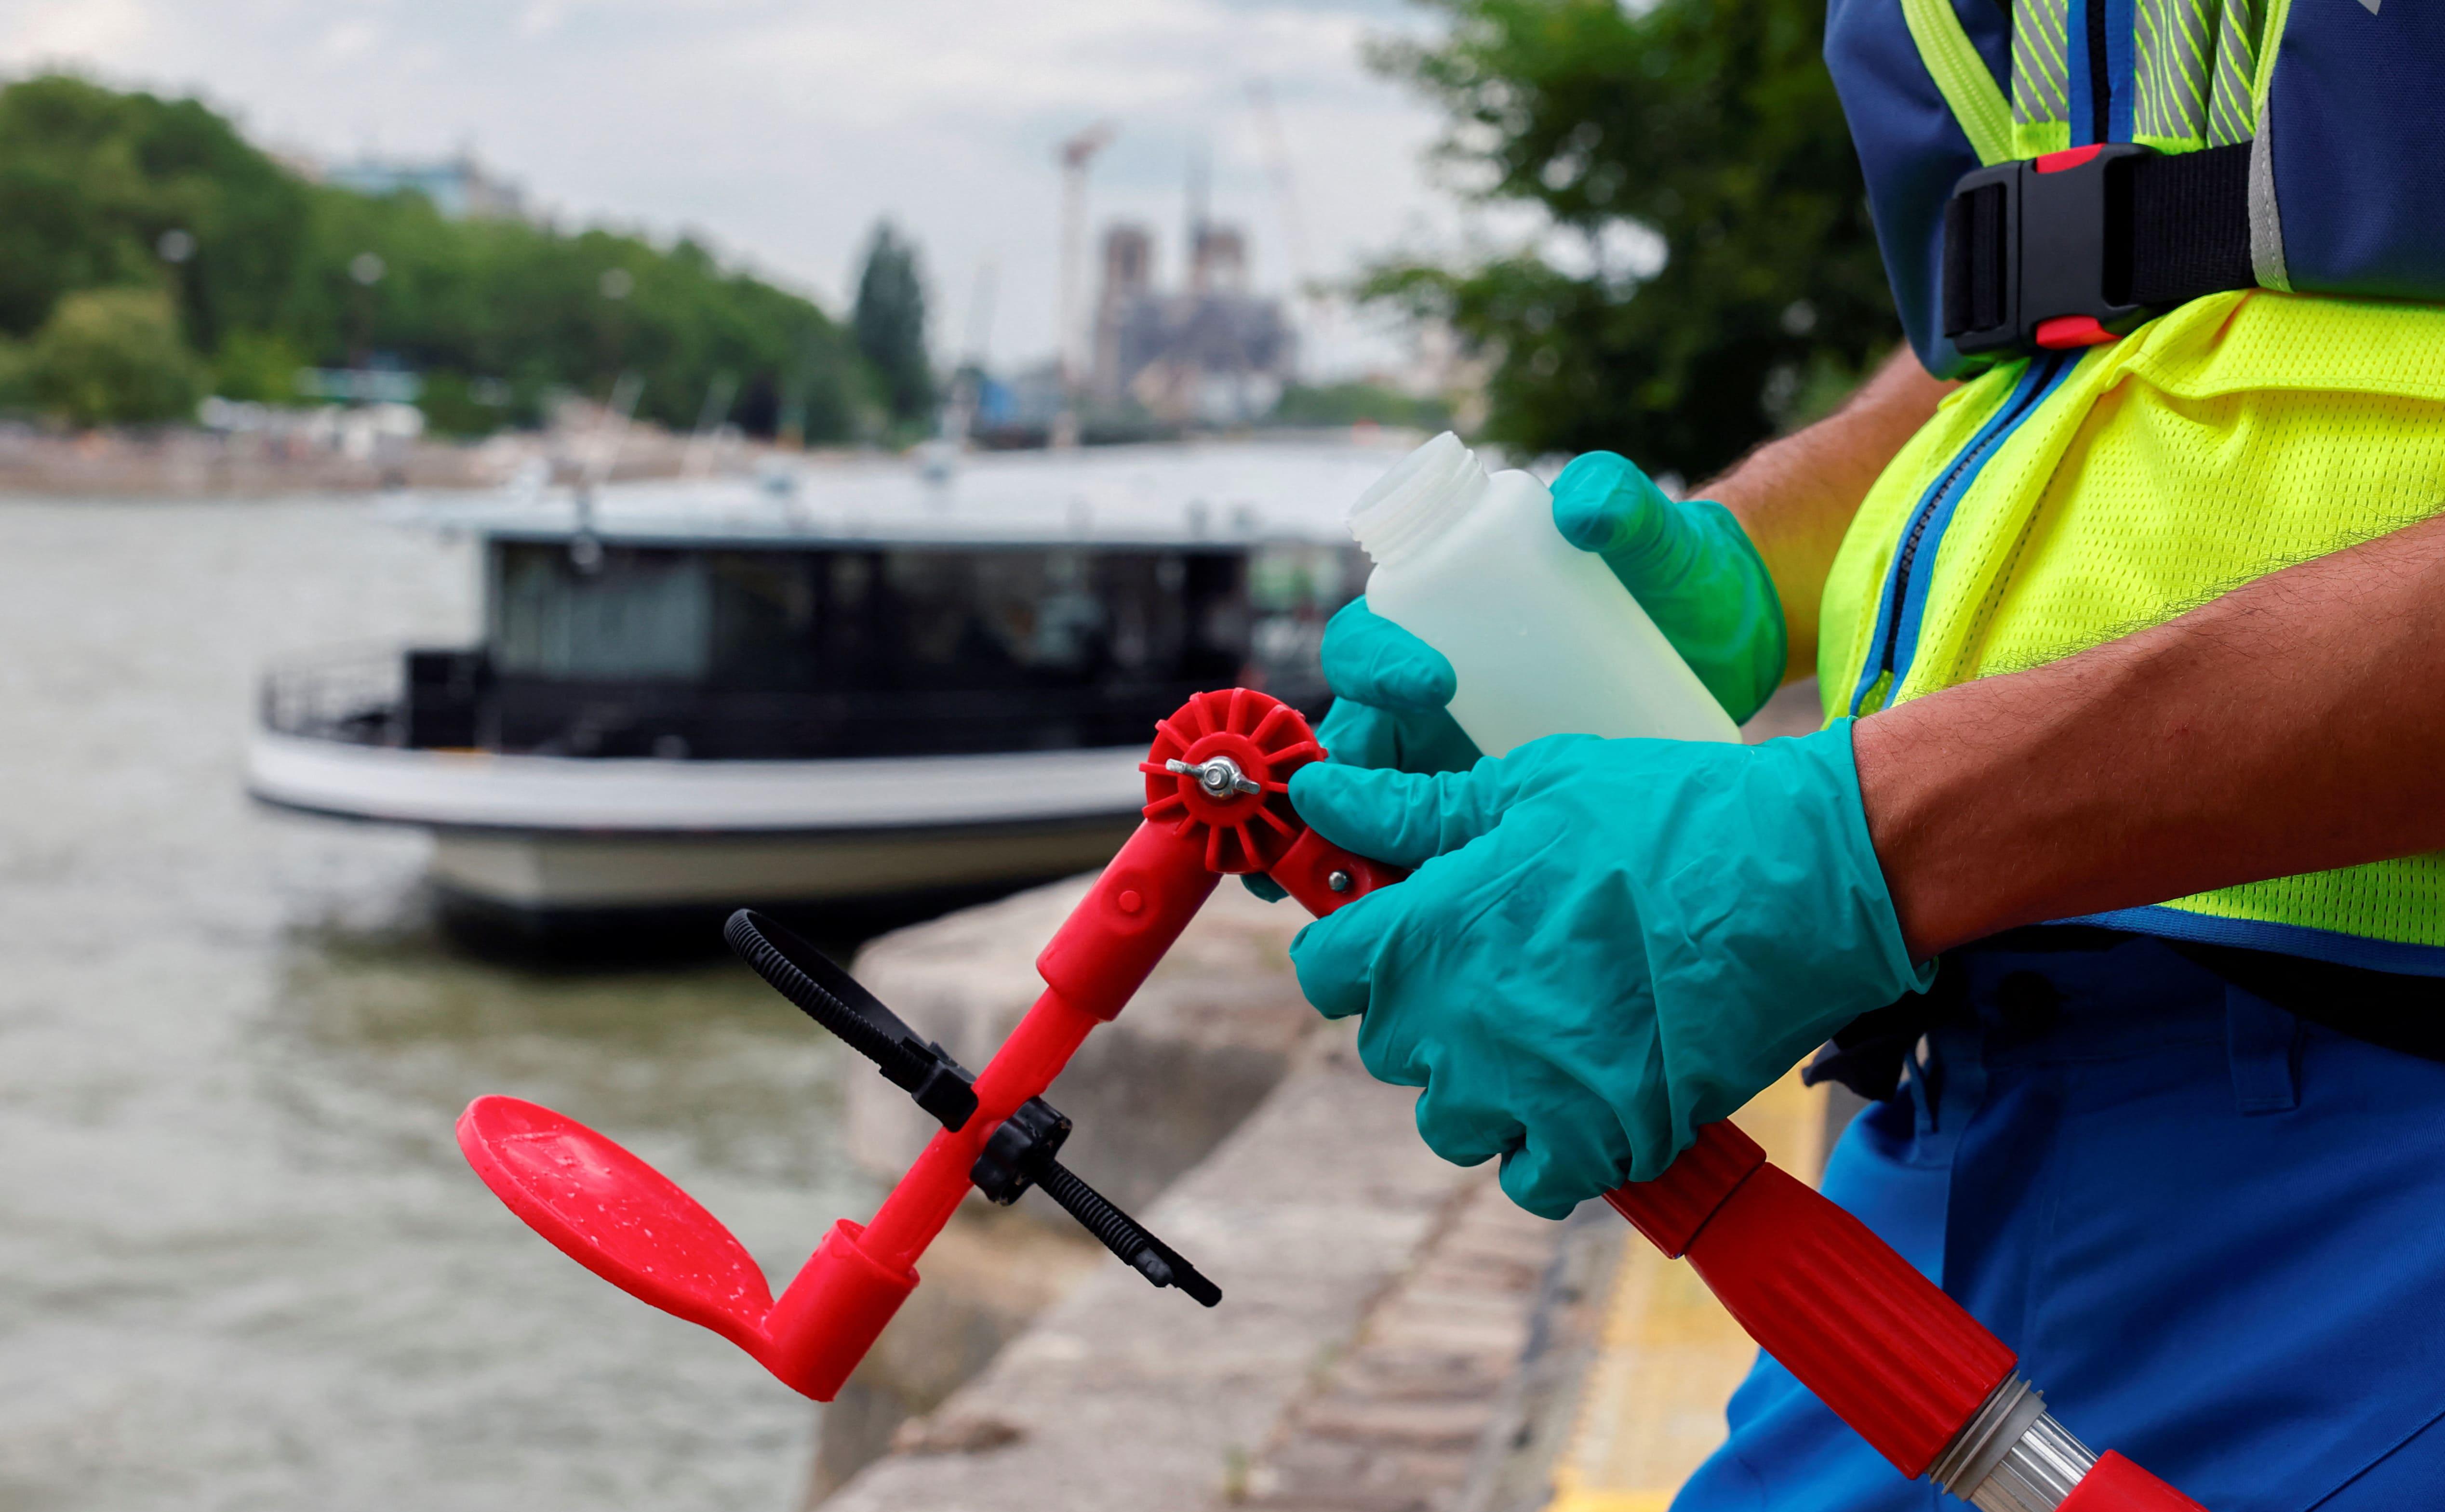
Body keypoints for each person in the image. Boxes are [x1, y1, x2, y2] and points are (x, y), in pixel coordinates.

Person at [1267, 1, 2445, 1508]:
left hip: (2383, 1137)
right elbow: (2101, 302)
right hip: (1958, 1120)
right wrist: (1751, 562)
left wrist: (1850, 838)